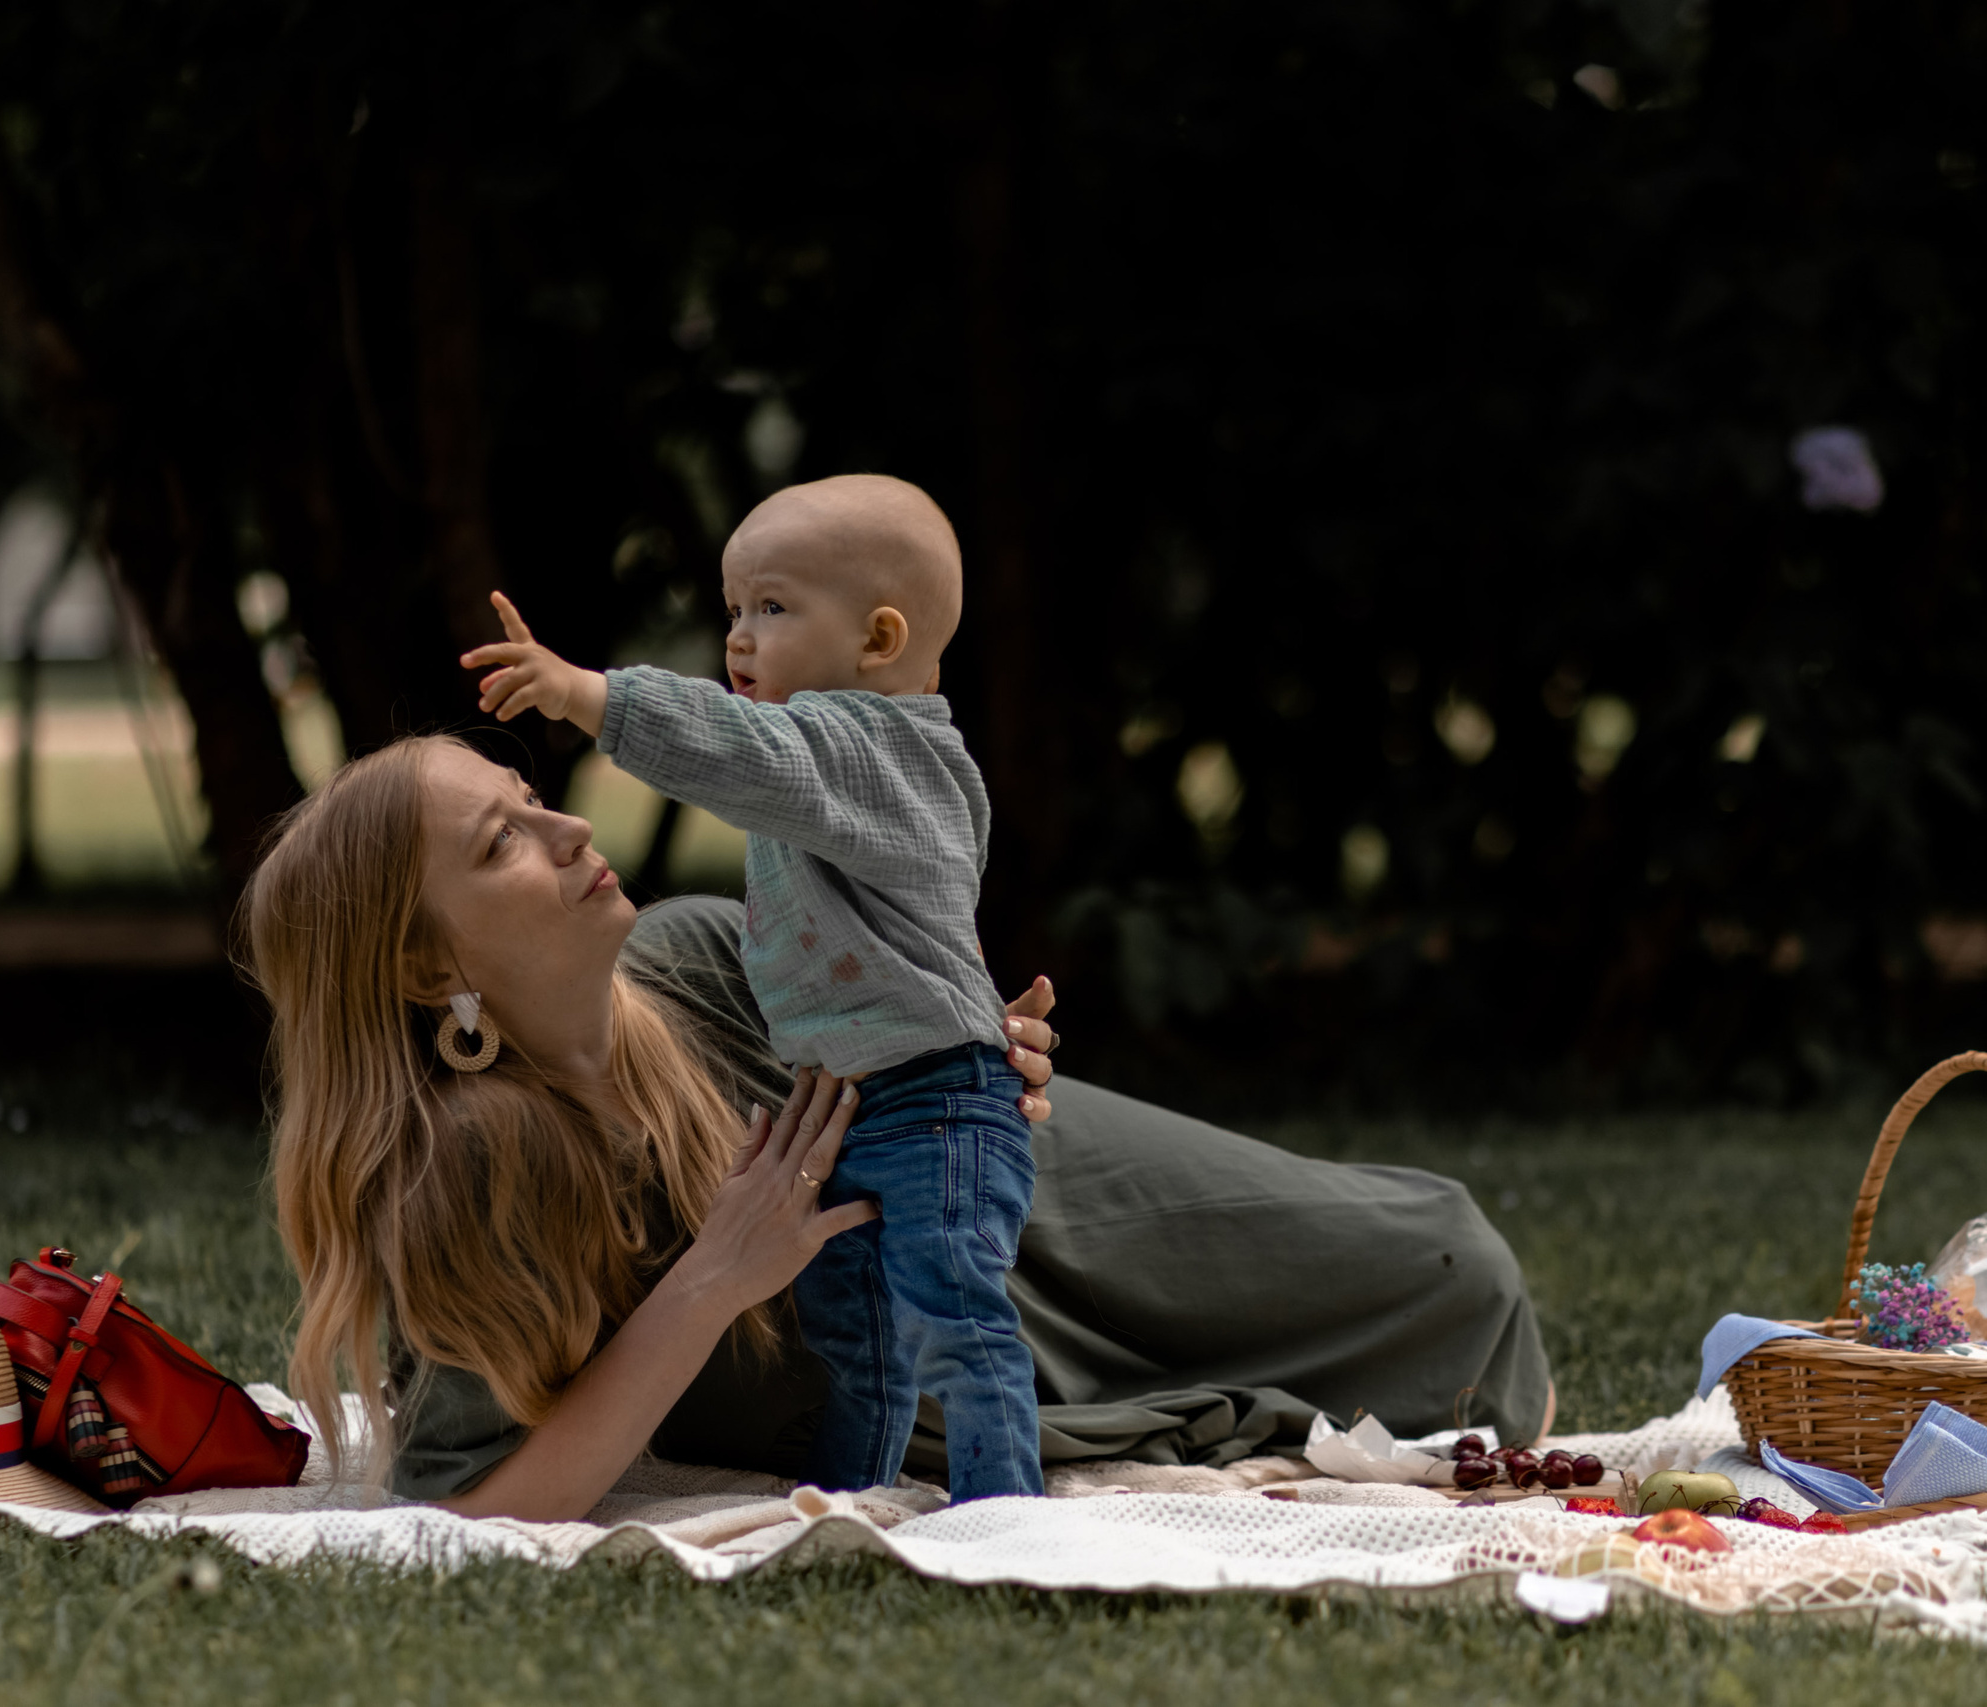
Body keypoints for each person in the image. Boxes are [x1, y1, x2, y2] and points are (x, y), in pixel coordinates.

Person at [241, 736, 1553, 1523]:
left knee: (1450, 1260)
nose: (568, 823)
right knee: (1436, 1298)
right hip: (948, 1351)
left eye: (532, 793)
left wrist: (981, 1045)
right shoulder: (463, 1179)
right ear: (425, 969)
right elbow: (475, 1507)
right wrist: (709, 1285)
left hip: (1022, 1198)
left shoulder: (694, 955)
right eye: (503, 840)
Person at [455, 474, 1040, 1501]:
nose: (737, 639)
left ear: (877, 640)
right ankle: (849, 1496)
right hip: (856, 1104)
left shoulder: (870, 749)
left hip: (940, 1100)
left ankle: (1005, 1516)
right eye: (732, 611)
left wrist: (583, 692)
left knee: (954, 1311)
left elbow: (737, 750)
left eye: (770, 609)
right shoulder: (824, 759)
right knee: (853, 1338)